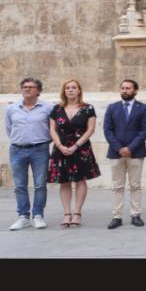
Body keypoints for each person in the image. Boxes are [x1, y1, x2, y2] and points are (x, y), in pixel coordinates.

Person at [47, 79, 101, 227]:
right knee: (64, 181)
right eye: (67, 88)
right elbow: (52, 129)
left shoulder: (88, 108)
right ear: (64, 91)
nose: (70, 90)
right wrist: (59, 145)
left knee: (80, 180)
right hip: (61, 149)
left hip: (81, 149)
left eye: (74, 87)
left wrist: (76, 146)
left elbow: (90, 130)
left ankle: (77, 213)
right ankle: (66, 214)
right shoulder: (56, 109)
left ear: (79, 91)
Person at [5, 77, 53, 230]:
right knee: (20, 185)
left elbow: (54, 129)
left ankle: (38, 215)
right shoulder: (12, 108)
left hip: (40, 149)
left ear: (38, 91)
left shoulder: (48, 108)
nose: (27, 89)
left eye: (31, 87)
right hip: (17, 149)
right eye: (24, 86)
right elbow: (9, 128)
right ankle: (23, 217)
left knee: (40, 185)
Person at [103, 79, 146, 229]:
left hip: (135, 153)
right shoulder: (112, 108)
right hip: (116, 153)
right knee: (117, 186)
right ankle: (117, 216)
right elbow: (107, 130)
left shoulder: (143, 108)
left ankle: (136, 214)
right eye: (122, 88)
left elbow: (144, 130)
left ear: (135, 90)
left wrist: (130, 148)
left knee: (135, 185)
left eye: (128, 88)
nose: (124, 90)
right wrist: (119, 148)